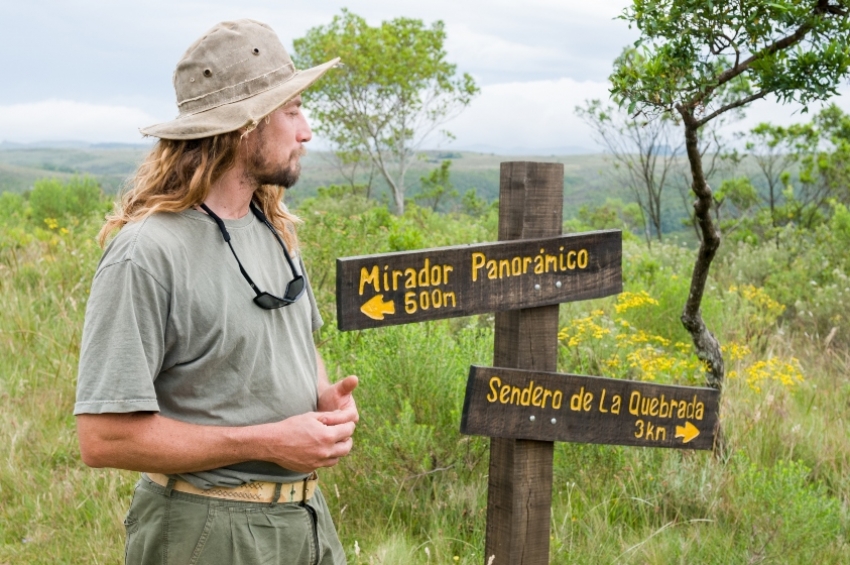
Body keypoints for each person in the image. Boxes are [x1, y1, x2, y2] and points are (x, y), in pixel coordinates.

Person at [74, 19, 358, 565]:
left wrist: (320, 398)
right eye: (292, 110)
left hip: (305, 521)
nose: (306, 130)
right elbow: (104, 438)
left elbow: (294, 343)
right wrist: (267, 441)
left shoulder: (273, 228)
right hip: (206, 530)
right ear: (245, 126)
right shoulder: (148, 252)